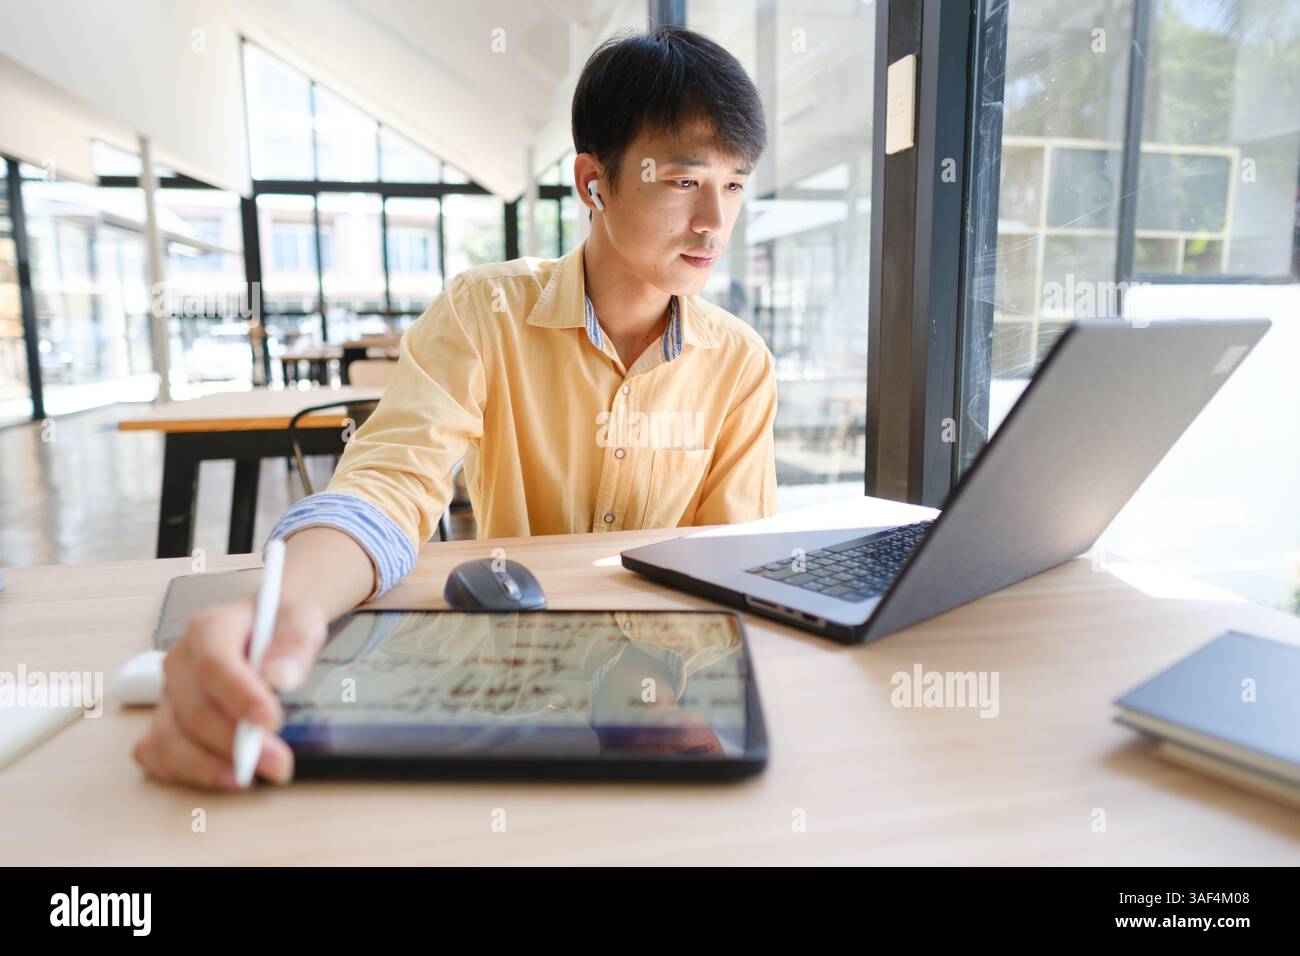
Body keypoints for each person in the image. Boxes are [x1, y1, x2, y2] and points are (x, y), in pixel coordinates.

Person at [133, 25, 775, 790]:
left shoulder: (739, 363)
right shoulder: (485, 311)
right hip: (518, 690)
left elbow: (730, 568)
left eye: (734, 184)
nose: (715, 220)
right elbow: (389, 486)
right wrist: (285, 610)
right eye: (683, 180)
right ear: (593, 182)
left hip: (674, 702)